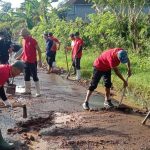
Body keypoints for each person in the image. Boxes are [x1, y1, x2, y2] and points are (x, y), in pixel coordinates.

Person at [0, 60, 25, 150]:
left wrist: (6, 101)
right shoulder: (4, 72)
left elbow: (1, 86)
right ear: (14, 68)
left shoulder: (6, 70)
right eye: (20, 71)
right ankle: (1, 144)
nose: (19, 74)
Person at [16, 28, 42, 97]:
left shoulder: (33, 40)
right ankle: (28, 91)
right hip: (25, 61)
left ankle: (38, 92)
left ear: (27, 34)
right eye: (22, 35)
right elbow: (24, 50)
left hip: (32, 61)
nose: (23, 37)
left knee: (34, 76)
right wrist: (20, 56)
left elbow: (39, 50)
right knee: (26, 75)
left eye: (24, 35)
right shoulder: (23, 40)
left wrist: (40, 60)